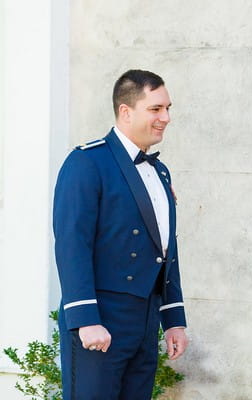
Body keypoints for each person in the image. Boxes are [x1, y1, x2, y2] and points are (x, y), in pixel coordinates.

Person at [53, 69, 188, 400]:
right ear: (126, 112)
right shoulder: (87, 162)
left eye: (168, 108)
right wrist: (85, 319)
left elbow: (166, 249)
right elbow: (72, 244)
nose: (166, 117)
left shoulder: (159, 170)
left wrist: (173, 319)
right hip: (102, 318)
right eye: (155, 109)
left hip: (144, 321)